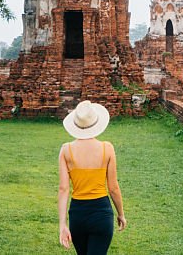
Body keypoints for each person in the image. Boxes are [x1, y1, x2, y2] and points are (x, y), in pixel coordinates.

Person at [58, 100, 127, 253]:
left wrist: (62, 225)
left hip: (78, 215)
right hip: (101, 214)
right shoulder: (107, 148)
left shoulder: (66, 150)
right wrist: (121, 214)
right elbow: (113, 188)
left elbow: (63, 189)